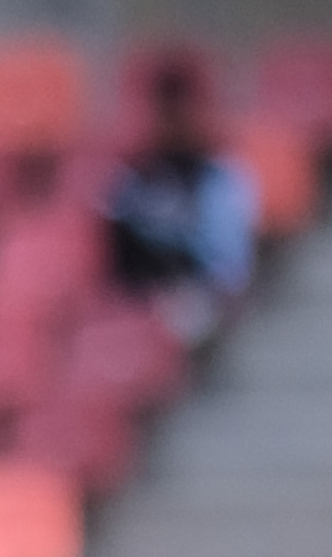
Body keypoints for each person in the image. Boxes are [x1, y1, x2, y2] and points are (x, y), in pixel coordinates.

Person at [100, 50, 261, 344]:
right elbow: (110, 260)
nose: (169, 118)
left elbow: (229, 270)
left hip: (193, 298)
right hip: (132, 302)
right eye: (162, 106)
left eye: (178, 106)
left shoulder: (218, 176)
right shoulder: (127, 175)